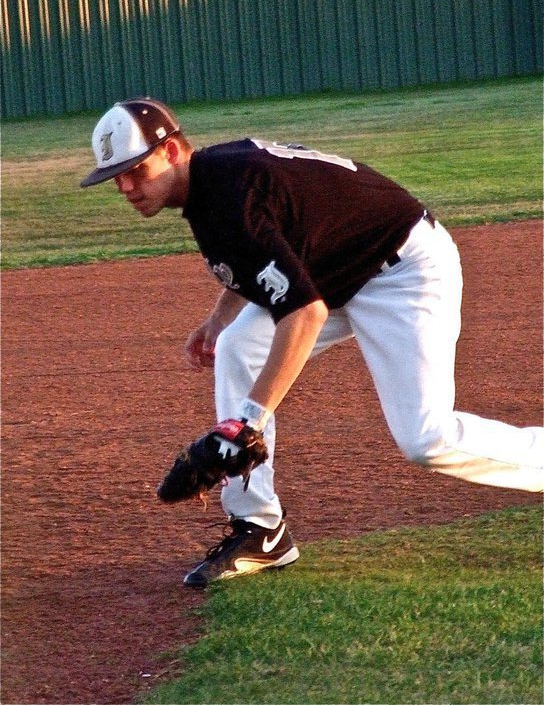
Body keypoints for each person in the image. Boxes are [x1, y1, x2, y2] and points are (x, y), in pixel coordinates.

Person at [81, 96, 543, 588]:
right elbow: (263, 255)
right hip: (335, 267)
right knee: (239, 345)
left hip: (402, 271)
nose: (127, 186)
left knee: (426, 438)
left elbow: (304, 312)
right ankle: (259, 528)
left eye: (136, 168)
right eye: (116, 177)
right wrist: (219, 320)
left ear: (171, 151)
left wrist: (248, 423)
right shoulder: (209, 185)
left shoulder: (230, 193)